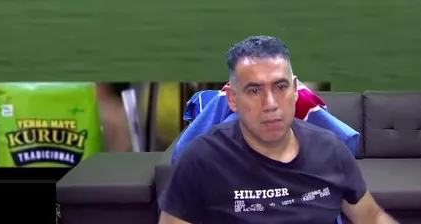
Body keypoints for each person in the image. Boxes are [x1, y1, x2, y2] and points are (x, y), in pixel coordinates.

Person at [159, 36, 396, 224]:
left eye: (280, 87)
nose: (271, 104)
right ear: (232, 98)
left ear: (295, 90)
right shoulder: (202, 159)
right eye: (254, 90)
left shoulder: (331, 149)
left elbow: (372, 217)